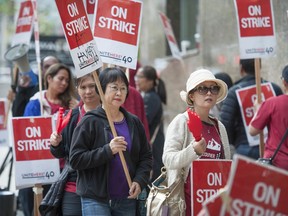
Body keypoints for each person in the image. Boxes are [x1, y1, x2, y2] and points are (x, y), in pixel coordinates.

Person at [69, 67, 152, 216]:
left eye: (123, 88)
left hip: (127, 198)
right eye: (114, 88)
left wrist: (139, 181)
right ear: (101, 90)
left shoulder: (133, 122)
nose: (119, 93)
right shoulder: (89, 121)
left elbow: (146, 157)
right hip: (95, 198)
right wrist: (108, 150)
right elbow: (75, 159)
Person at [162, 69, 231, 216]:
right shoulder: (181, 121)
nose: (209, 93)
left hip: (213, 205)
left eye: (213, 88)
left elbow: (226, 166)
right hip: (186, 204)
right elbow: (168, 160)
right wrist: (193, 150)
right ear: (191, 95)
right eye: (202, 88)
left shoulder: (220, 127)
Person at [20, 63, 78, 216]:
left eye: (67, 80)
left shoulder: (72, 104)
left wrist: (78, 109)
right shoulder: (36, 102)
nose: (64, 83)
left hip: (63, 167)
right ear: (49, 78)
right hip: (41, 167)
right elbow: (26, 132)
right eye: (61, 79)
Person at [49, 73, 100, 215]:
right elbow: (61, 153)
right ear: (77, 89)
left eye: (92, 86)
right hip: (73, 187)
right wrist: (56, 144)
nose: (88, 91)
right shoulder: (71, 116)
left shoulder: (111, 115)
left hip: (101, 187)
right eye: (83, 87)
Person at [220, 59, 282, 160]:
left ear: (241, 69)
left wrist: (235, 142)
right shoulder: (274, 89)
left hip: (244, 151)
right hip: (274, 150)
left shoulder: (233, 92)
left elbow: (225, 124)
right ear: (259, 67)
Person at [249, 65, 288, 171]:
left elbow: (252, 130)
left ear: (284, 83)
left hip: (277, 165)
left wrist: (257, 110)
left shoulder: (272, 103)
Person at [135, 65, 167, 182]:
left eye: (140, 77)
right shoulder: (149, 96)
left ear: (150, 81)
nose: (136, 80)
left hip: (153, 148)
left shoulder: (151, 98)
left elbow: (144, 122)